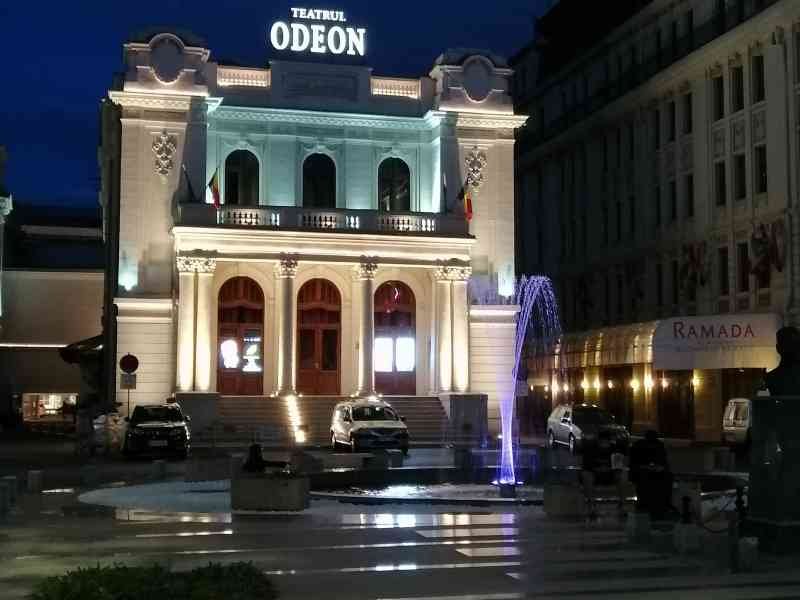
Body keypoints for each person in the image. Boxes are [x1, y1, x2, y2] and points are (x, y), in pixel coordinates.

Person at [629, 430, 673, 519]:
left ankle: (662, 504)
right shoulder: (640, 445)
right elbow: (634, 463)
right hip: (642, 471)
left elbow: (663, 461)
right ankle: (648, 504)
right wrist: (648, 467)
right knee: (646, 478)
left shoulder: (658, 445)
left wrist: (659, 467)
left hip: (654, 471)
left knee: (666, 477)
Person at [764, 326, 800, 396]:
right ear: (779, 348)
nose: (793, 349)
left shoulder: (770, 378)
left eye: (795, 344)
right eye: (788, 345)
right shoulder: (770, 377)